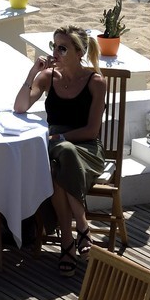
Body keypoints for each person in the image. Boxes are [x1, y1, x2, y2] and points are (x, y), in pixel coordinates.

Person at [14, 26, 105, 276]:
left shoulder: (95, 82)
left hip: (86, 149)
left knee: (56, 166)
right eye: (53, 46)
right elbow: (20, 106)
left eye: (62, 48)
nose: (55, 52)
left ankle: (67, 240)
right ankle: (81, 229)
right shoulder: (48, 77)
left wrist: (61, 136)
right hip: (56, 146)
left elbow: (92, 131)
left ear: (79, 51)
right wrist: (33, 72)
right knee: (58, 157)